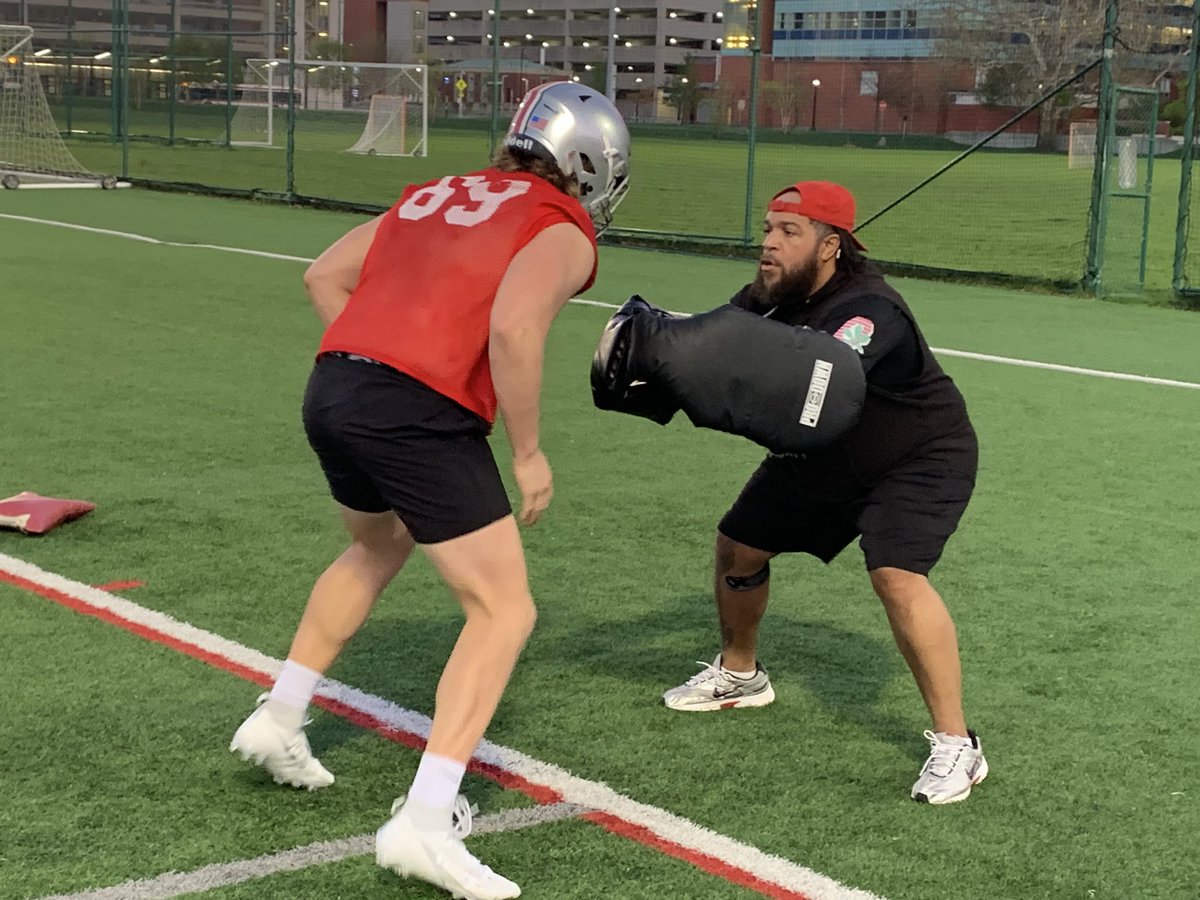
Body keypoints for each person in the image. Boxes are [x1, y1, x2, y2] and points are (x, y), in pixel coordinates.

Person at [229, 81, 630, 899]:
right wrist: (527, 452)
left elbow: (322, 279)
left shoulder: (434, 193)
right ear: (589, 163)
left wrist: (375, 358)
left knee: (376, 544)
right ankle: (424, 819)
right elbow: (514, 326)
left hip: (335, 386)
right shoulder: (561, 226)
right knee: (504, 610)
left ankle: (279, 716)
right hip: (412, 410)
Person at [660, 181, 988, 805]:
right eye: (767, 229)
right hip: (830, 454)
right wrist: (660, 359)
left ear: (830, 245)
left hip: (918, 456)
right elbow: (716, 341)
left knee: (895, 573)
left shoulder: (870, 309)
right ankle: (740, 674)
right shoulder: (772, 295)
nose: (768, 244)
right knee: (739, 547)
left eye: (788, 232)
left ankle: (957, 745)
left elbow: (816, 388)